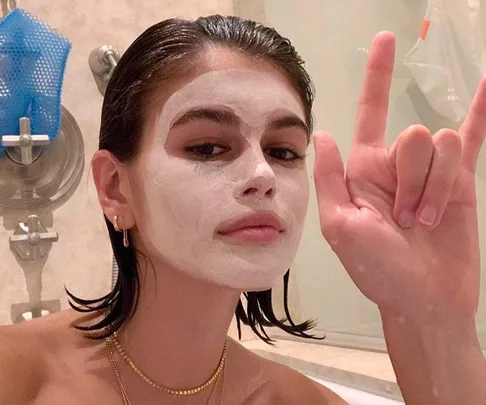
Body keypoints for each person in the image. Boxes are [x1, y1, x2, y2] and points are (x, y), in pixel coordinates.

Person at [0, 14, 485, 405]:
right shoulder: (16, 375)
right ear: (115, 189)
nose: (263, 175)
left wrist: (435, 324)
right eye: (208, 147)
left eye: (284, 151)